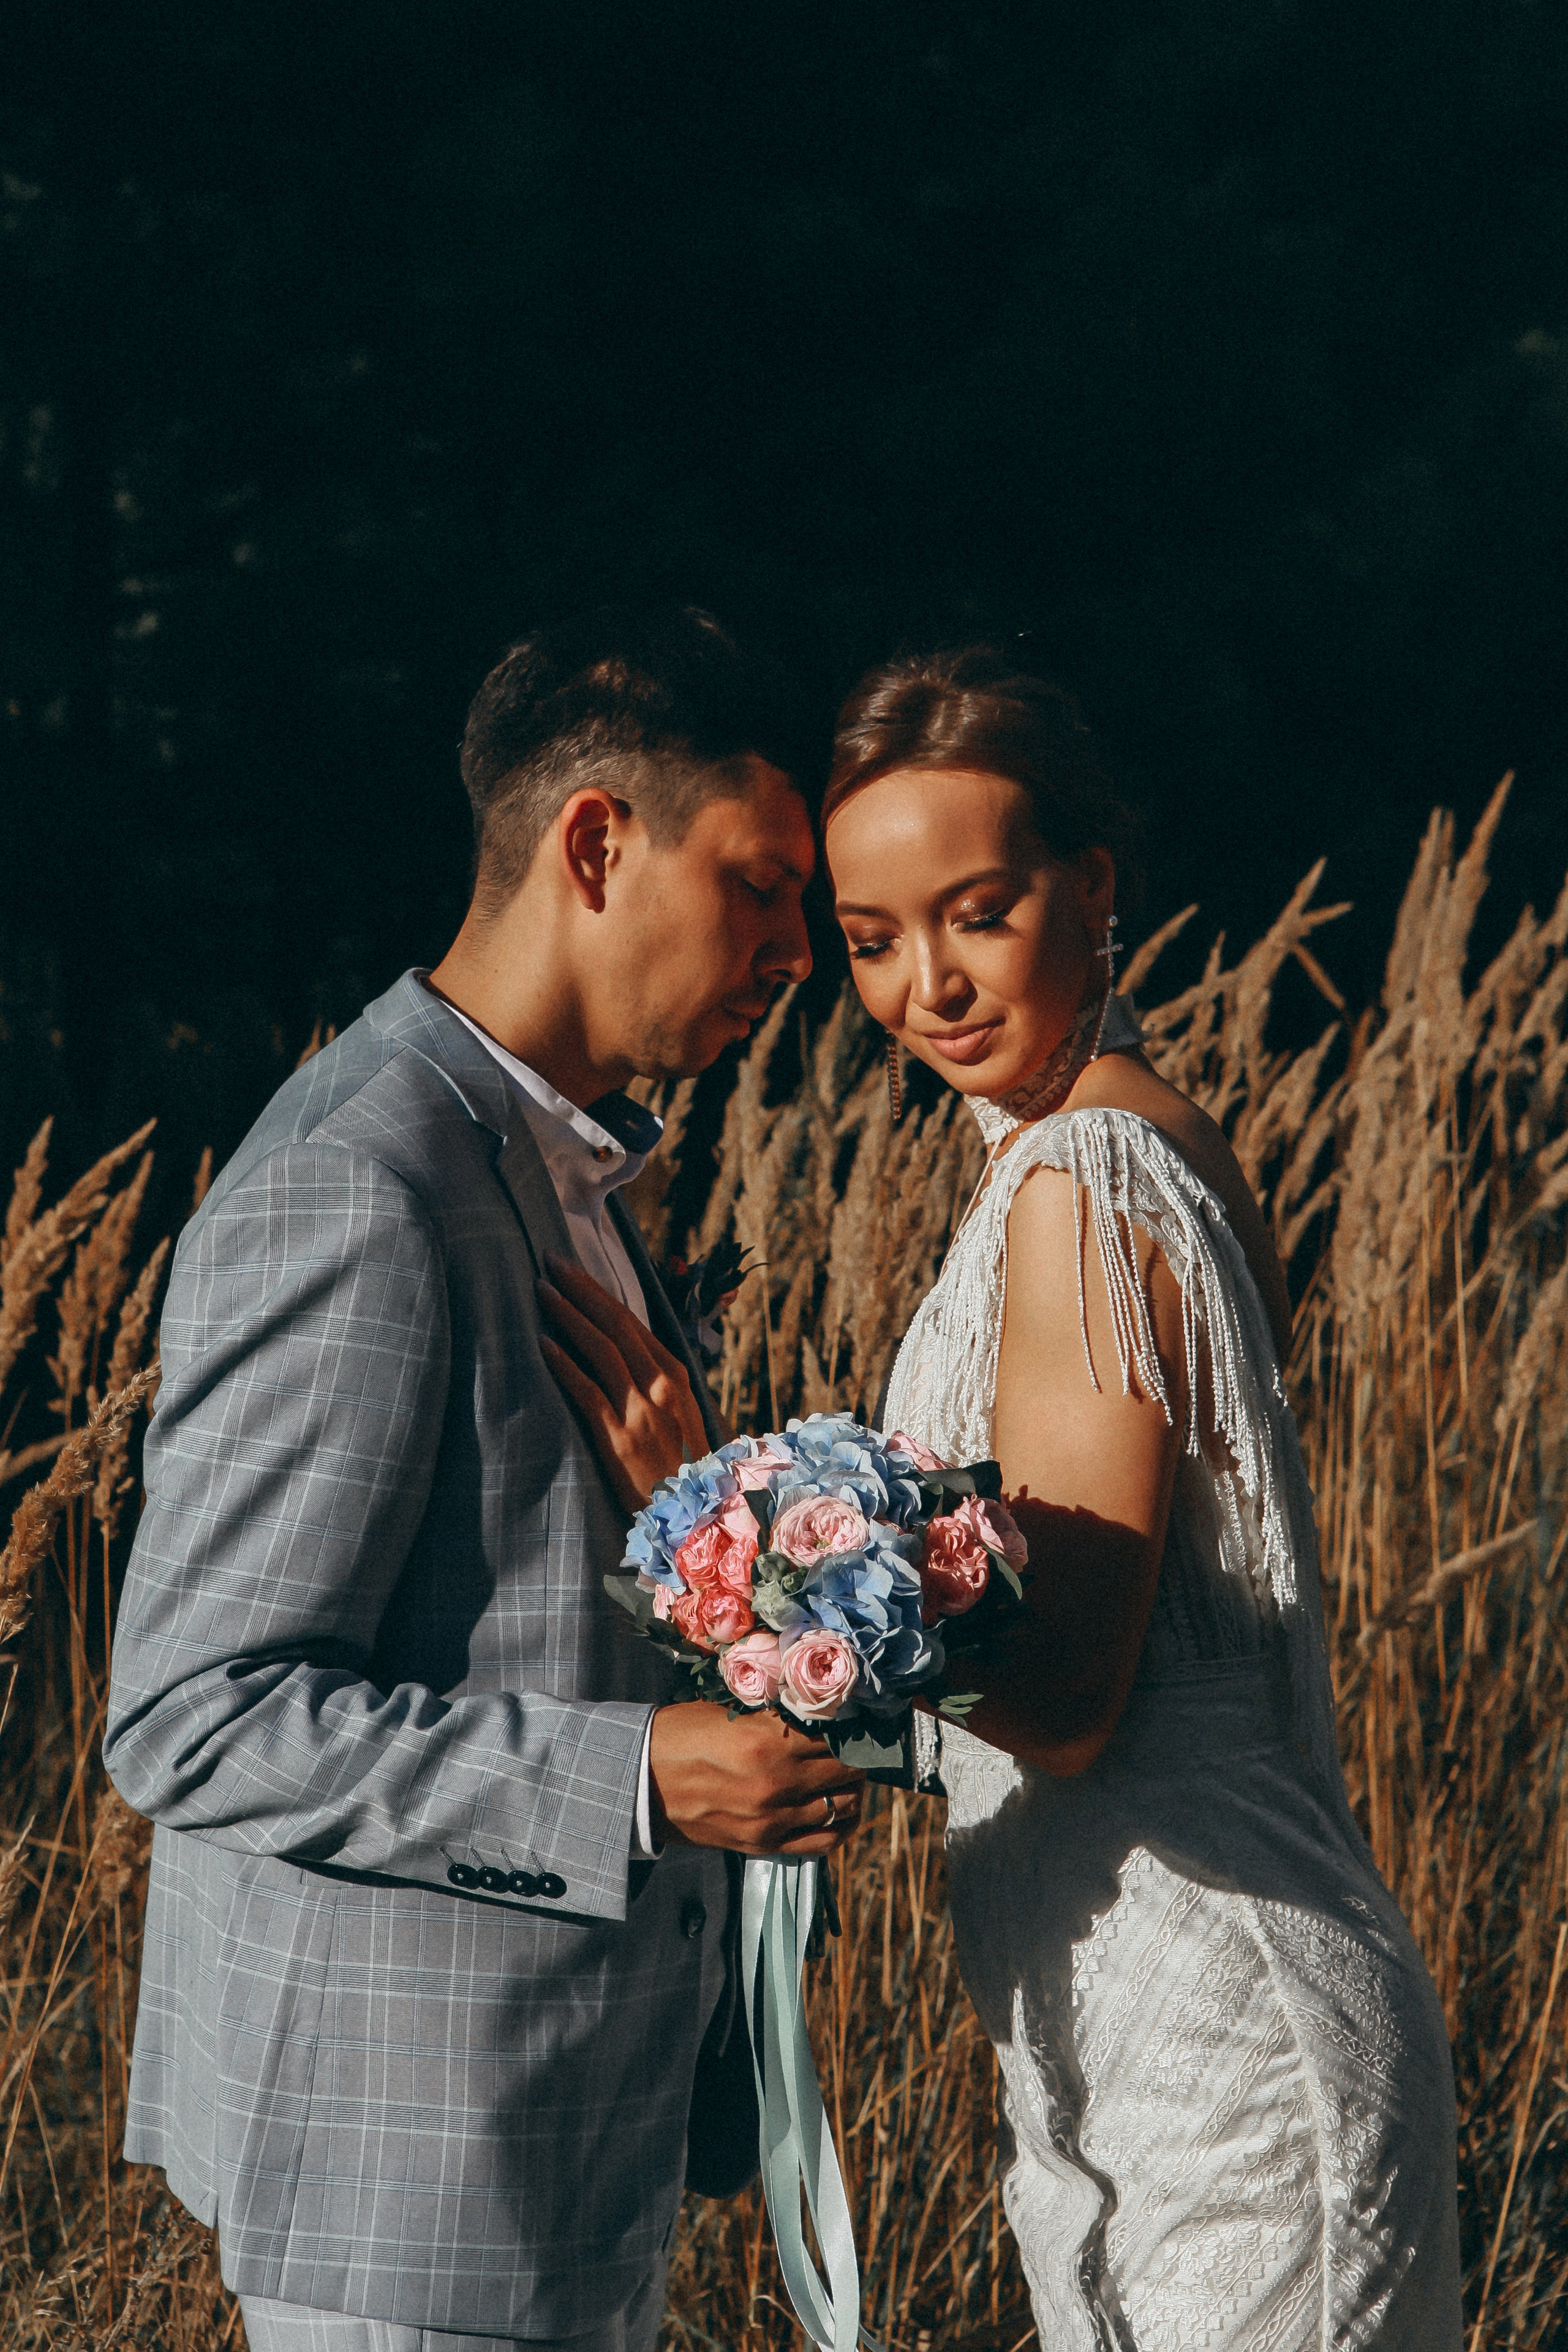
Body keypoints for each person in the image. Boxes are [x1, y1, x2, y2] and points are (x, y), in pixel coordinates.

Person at [103, 606, 864, 2352]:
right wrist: (638, 1781)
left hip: (562, 2147)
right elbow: (192, 1718)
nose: (797, 951)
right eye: (761, 887)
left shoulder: (558, 1163)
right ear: (599, 843)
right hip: (410, 2194)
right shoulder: (361, 1185)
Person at [823, 646, 1463, 2348]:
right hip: (1119, 2022)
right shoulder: (1100, 1147)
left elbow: (1076, 1692)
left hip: (1218, 2032)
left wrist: (792, 1616)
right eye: (872, 939)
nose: (926, 988)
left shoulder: (1088, 1183)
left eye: (975, 911)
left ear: (1090, 887)